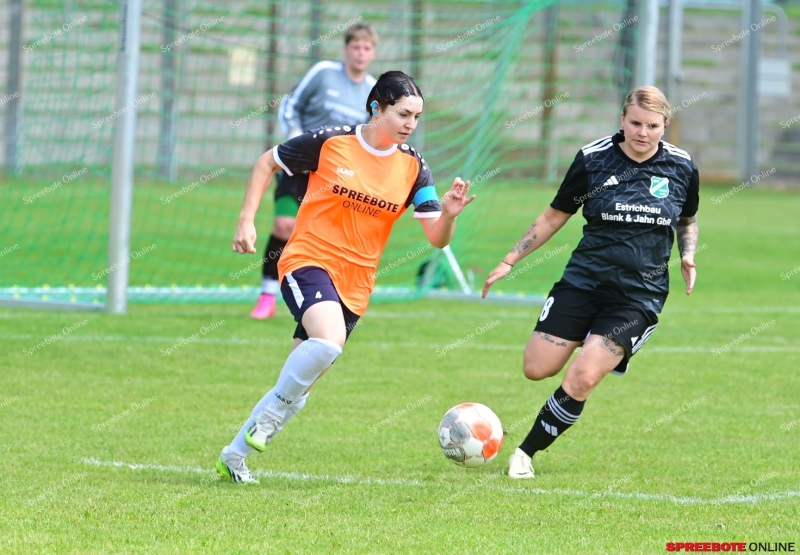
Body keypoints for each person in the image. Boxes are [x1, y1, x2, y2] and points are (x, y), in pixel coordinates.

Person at [218, 71, 476, 483]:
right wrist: (246, 220)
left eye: (416, 117)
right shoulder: (330, 142)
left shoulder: (414, 167)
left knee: (303, 380)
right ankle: (266, 420)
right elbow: (268, 161)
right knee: (328, 341)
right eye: (403, 114)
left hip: (356, 283)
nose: (411, 124)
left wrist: (448, 215)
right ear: (376, 107)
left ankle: (234, 455)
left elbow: (436, 238)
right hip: (308, 259)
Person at [482, 86, 699, 479]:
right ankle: (594, 340)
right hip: (583, 282)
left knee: (581, 378)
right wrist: (508, 260)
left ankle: (525, 453)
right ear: (622, 119)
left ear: (665, 124)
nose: (643, 132)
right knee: (536, 367)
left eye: (652, 126)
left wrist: (687, 253)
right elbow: (553, 216)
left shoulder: (681, 166)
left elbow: (687, 219)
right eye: (635, 123)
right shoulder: (593, 159)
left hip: (638, 297)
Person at [251, 23, 379, 319]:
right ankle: (267, 296)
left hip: (335, 176)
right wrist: (295, 138)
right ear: (346, 49)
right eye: (356, 47)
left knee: (328, 238)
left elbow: (367, 136)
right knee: (284, 226)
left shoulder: (372, 91)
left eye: (367, 48)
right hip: (298, 167)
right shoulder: (323, 73)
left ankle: (324, 297)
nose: (361, 53)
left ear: (373, 53)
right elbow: (290, 104)